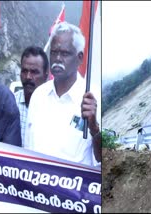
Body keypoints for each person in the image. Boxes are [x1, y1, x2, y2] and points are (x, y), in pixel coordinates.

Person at [24, 21, 101, 166]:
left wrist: (94, 128)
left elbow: (103, 159)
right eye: (54, 52)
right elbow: (28, 150)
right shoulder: (38, 95)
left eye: (64, 53)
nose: (57, 59)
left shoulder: (94, 98)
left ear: (79, 58)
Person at [15, 46, 49, 142]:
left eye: (34, 72)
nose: (28, 77)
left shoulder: (53, 108)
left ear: (46, 75)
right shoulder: (11, 103)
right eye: (24, 71)